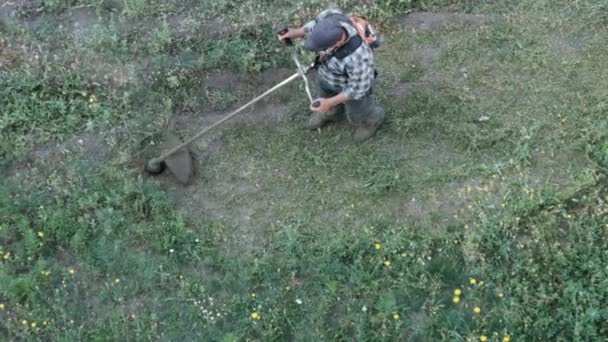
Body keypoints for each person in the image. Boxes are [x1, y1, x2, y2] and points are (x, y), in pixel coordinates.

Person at [279, 9, 385, 142]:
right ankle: (331, 113)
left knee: (358, 111)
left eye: (322, 49)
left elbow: (358, 88)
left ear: (338, 44)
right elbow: (315, 24)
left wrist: (329, 103)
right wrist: (296, 32)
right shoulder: (331, 16)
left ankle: (370, 120)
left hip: (351, 87)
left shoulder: (359, 56)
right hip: (328, 75)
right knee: (324, 93)